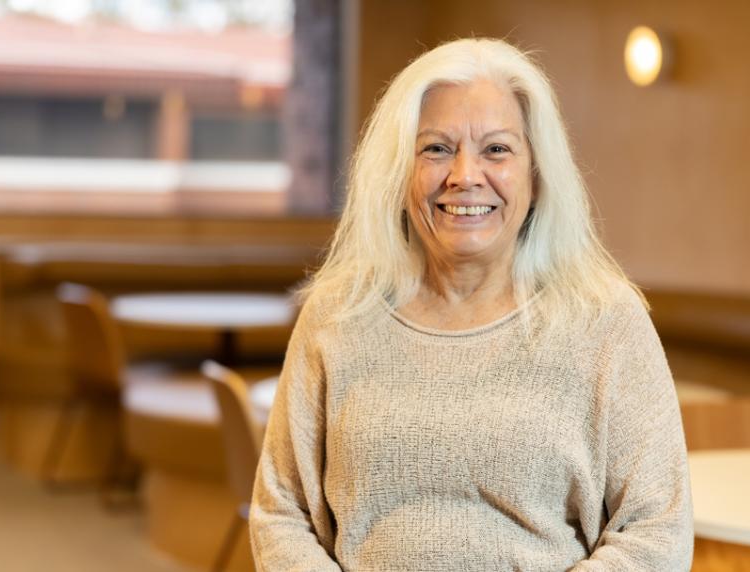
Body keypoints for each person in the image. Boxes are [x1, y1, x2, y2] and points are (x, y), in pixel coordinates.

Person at [249, 38, 693, 571]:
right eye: (436, 148)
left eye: (497, 150)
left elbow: (655, 531)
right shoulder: (337, 314)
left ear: (537, 174)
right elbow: (281, 511)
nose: (464, 175)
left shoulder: (606, 321)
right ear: (399, 171)